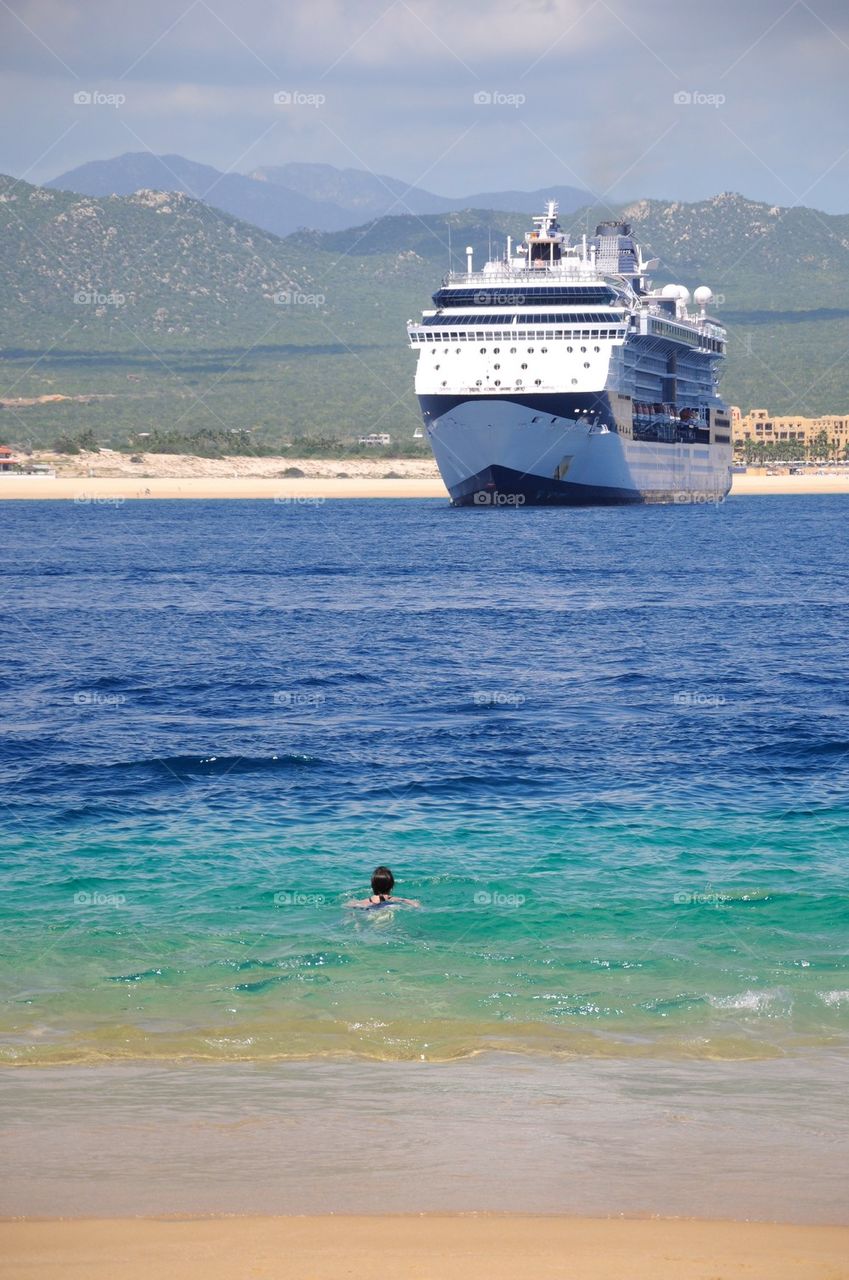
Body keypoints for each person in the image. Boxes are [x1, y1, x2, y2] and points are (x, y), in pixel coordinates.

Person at [346, 866, 420, 910]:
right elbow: (416, 904)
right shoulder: (397, 900)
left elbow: (348, 905)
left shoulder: (363, 902)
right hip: (389, 910)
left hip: (369, 911)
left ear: (372, 886)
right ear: (392, 886)